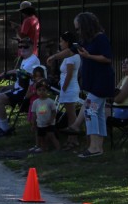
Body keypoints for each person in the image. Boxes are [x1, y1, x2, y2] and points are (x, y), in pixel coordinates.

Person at [73, 12, 114, 158]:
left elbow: (107, 58)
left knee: (89, 110)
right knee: (98, 112)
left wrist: (88, 56)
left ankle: (94, 147)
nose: (78, 31)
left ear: (85, 26)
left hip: (101, 82)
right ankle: (98, 147)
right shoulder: (86, 40)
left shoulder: (101, 38)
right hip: (94, 82)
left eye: (78, 28)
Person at [0, 37, 40, 138]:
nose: (22, 49)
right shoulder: (24, 59)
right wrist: (8, 87)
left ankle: (4, 130)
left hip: (26, 92)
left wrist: (5, 73)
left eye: (25, 46)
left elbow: (21, 72)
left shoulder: (33, 60)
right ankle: (1, 127)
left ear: (32, 47)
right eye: (20, 46)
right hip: (19, 89)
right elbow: (20, 80)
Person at [46, 31, 82, 147]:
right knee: (70, 114)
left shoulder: (71, 57)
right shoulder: (69, 56)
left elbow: (69, 74)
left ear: (67, 42)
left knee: (71, 115)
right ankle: (71, 139)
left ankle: (74, 139)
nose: (60, 44)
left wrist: (64, 88)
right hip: (68, 88)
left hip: (69, 88)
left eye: (62, 41)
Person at [29, 80, 61, 153]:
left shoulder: (50, 101)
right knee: (41, 137)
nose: (41, 92)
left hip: (50, 123)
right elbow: (34, 114)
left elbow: (54, 112)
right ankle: (44, 148)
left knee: (51, 135)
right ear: (36, 91)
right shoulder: (35, 102)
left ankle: (58, 148)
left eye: (44, 90)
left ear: (47, 91)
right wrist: (33, 124)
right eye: (39, 90)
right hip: (40, 123)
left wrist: (51, 120)